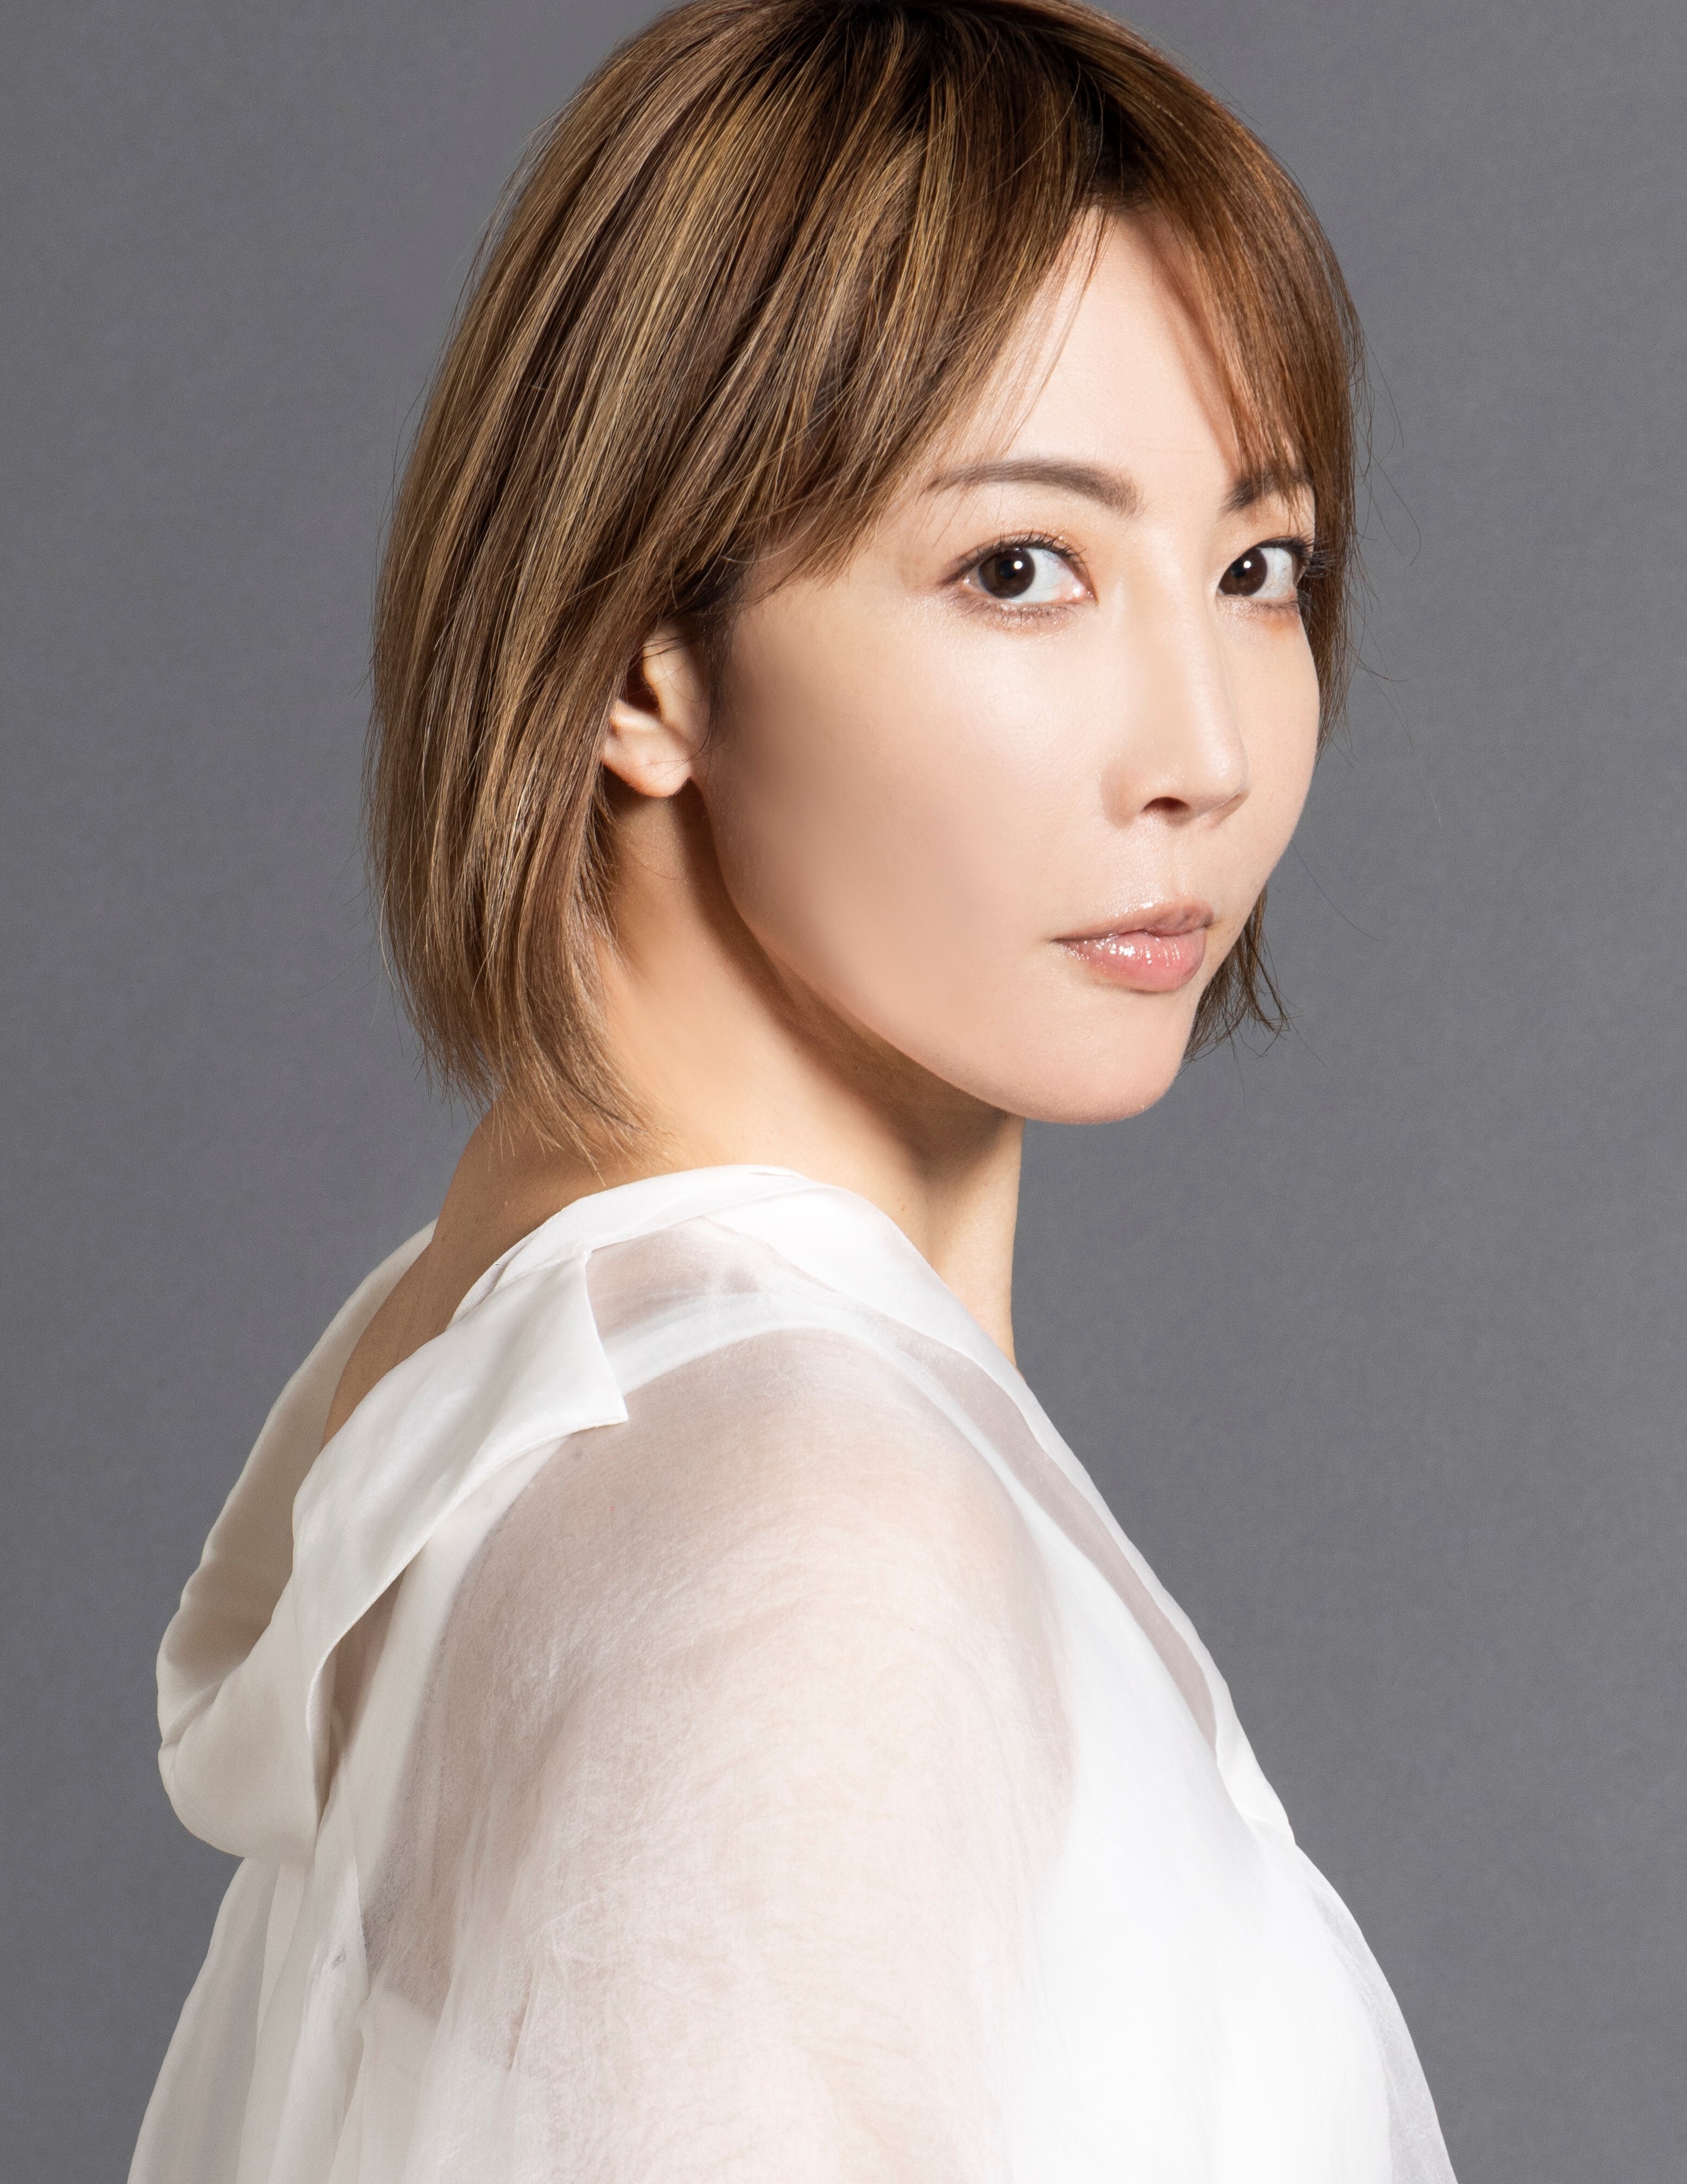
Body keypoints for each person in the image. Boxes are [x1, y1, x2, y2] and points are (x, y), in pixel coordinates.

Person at [131, 2, 1458, 2176]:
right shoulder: (804, 1520)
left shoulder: (532, 1365)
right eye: (1019, 568)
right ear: (643, 653)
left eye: (1258, 568)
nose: (1206, 752)